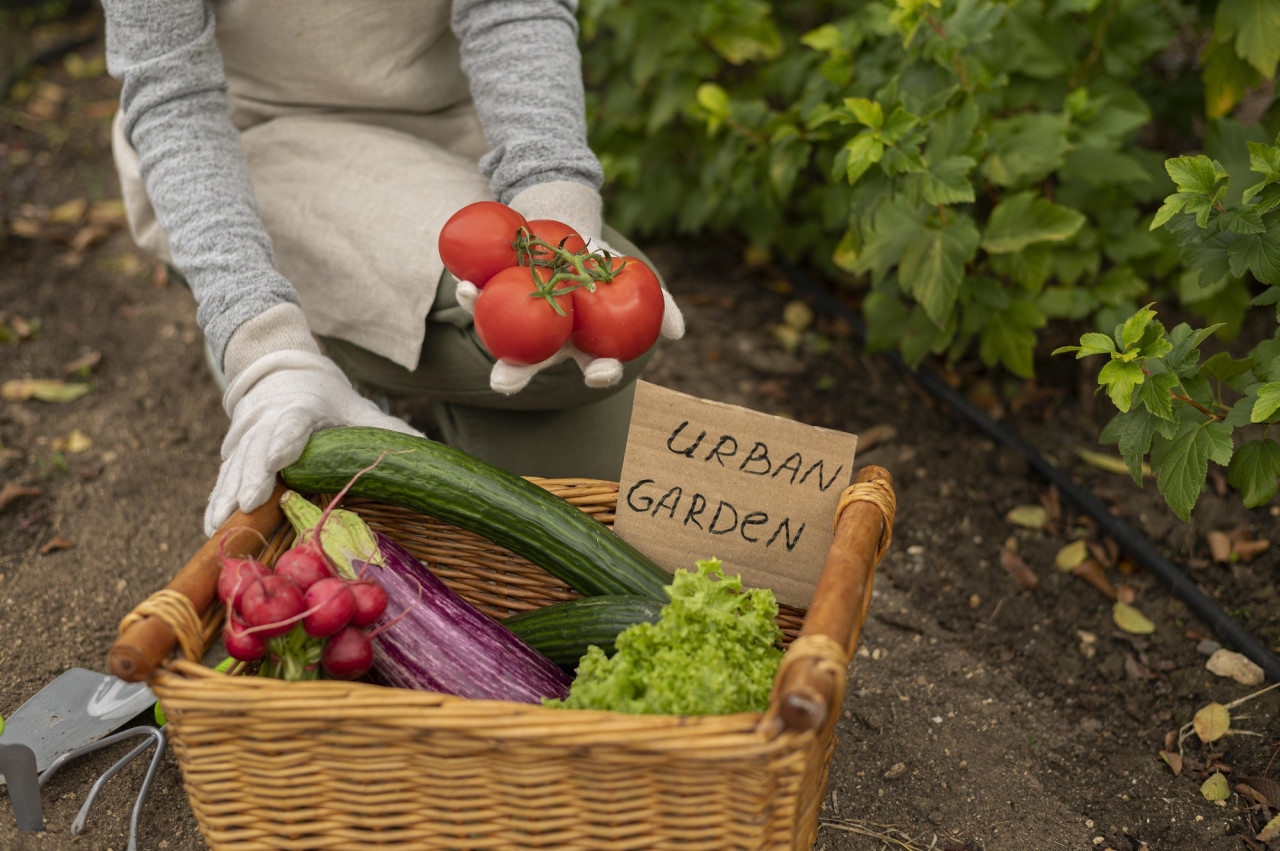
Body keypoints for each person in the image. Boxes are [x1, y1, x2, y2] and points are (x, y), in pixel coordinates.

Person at [100, 0, 682, 537]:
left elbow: (512, 8)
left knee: (590, 388)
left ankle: (340, 321)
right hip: (250, 142)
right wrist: (259, 341)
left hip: (458, 122)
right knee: (543, 371)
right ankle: (287, 321)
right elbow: (173, 96)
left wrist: (557, 210)